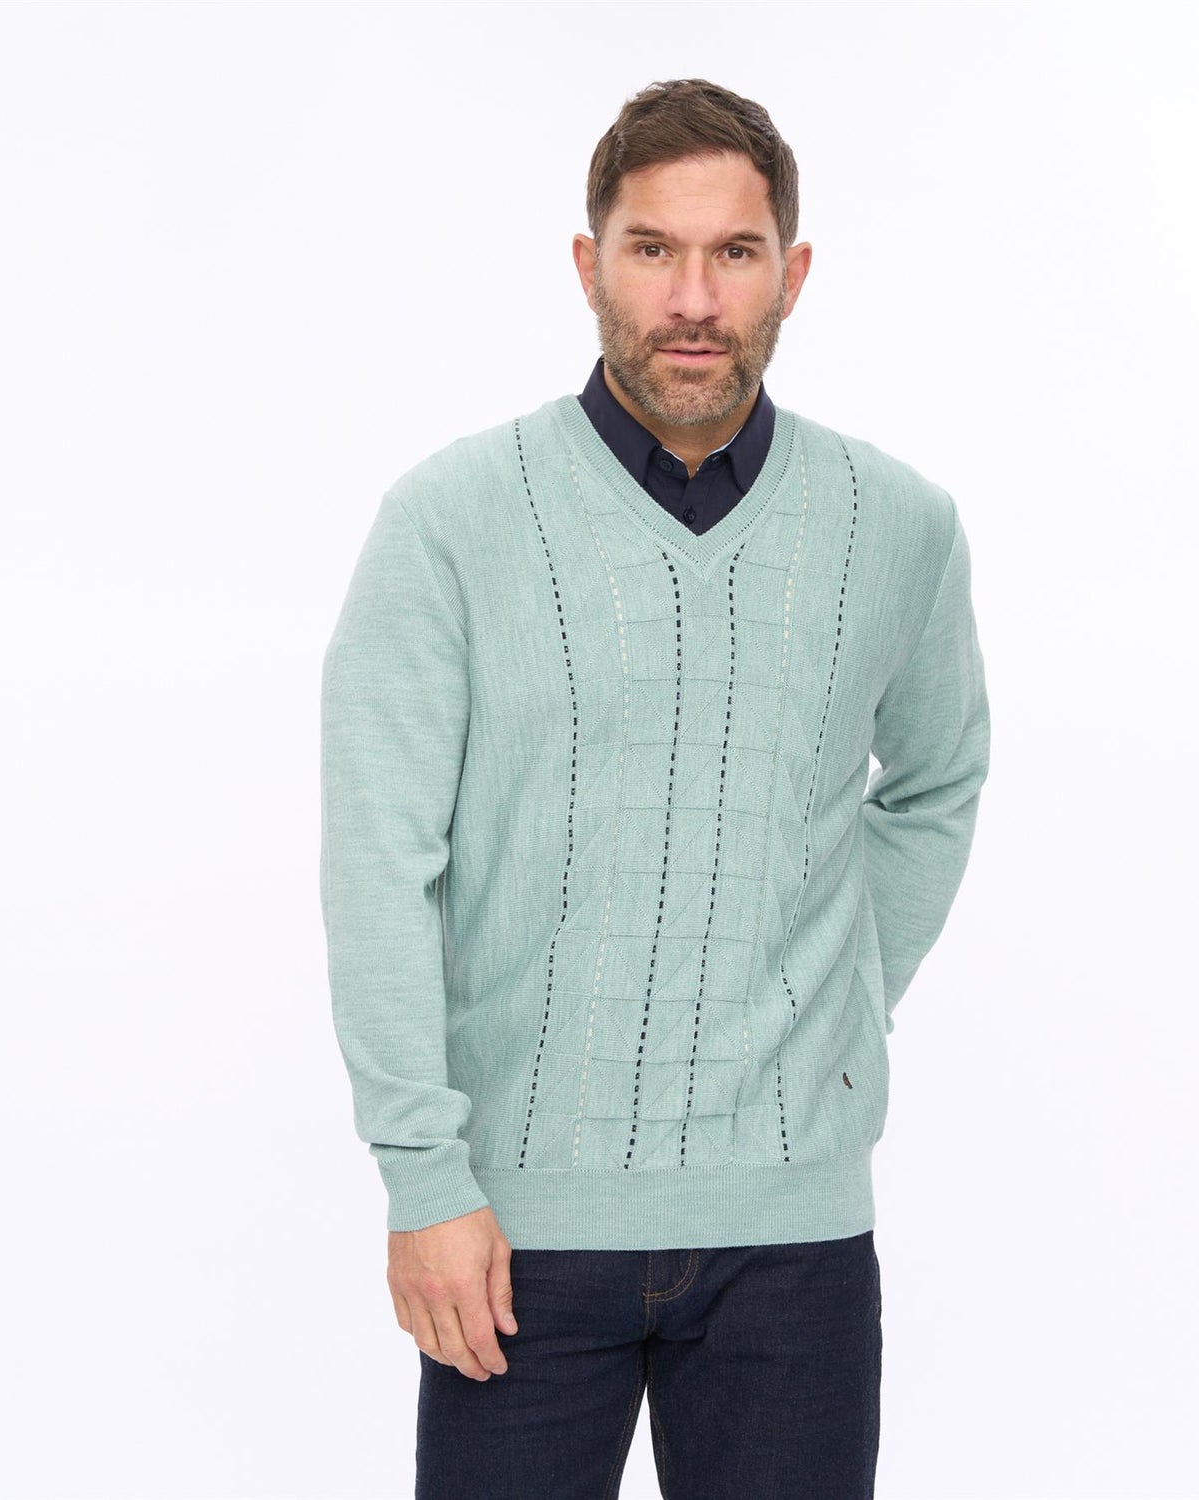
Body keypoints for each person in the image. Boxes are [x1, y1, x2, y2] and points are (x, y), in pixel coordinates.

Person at [319, 76, 991, 1500]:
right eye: (652, 250)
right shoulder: (450, 522)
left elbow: (937, 781)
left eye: (734, 252)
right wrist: (423, 1179)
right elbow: (379, 860)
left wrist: (832, 995)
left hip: (794, 1244)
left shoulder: (902, 528)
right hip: (510, 1236)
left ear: (791, 275)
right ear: (590, 266)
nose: (693, 297)